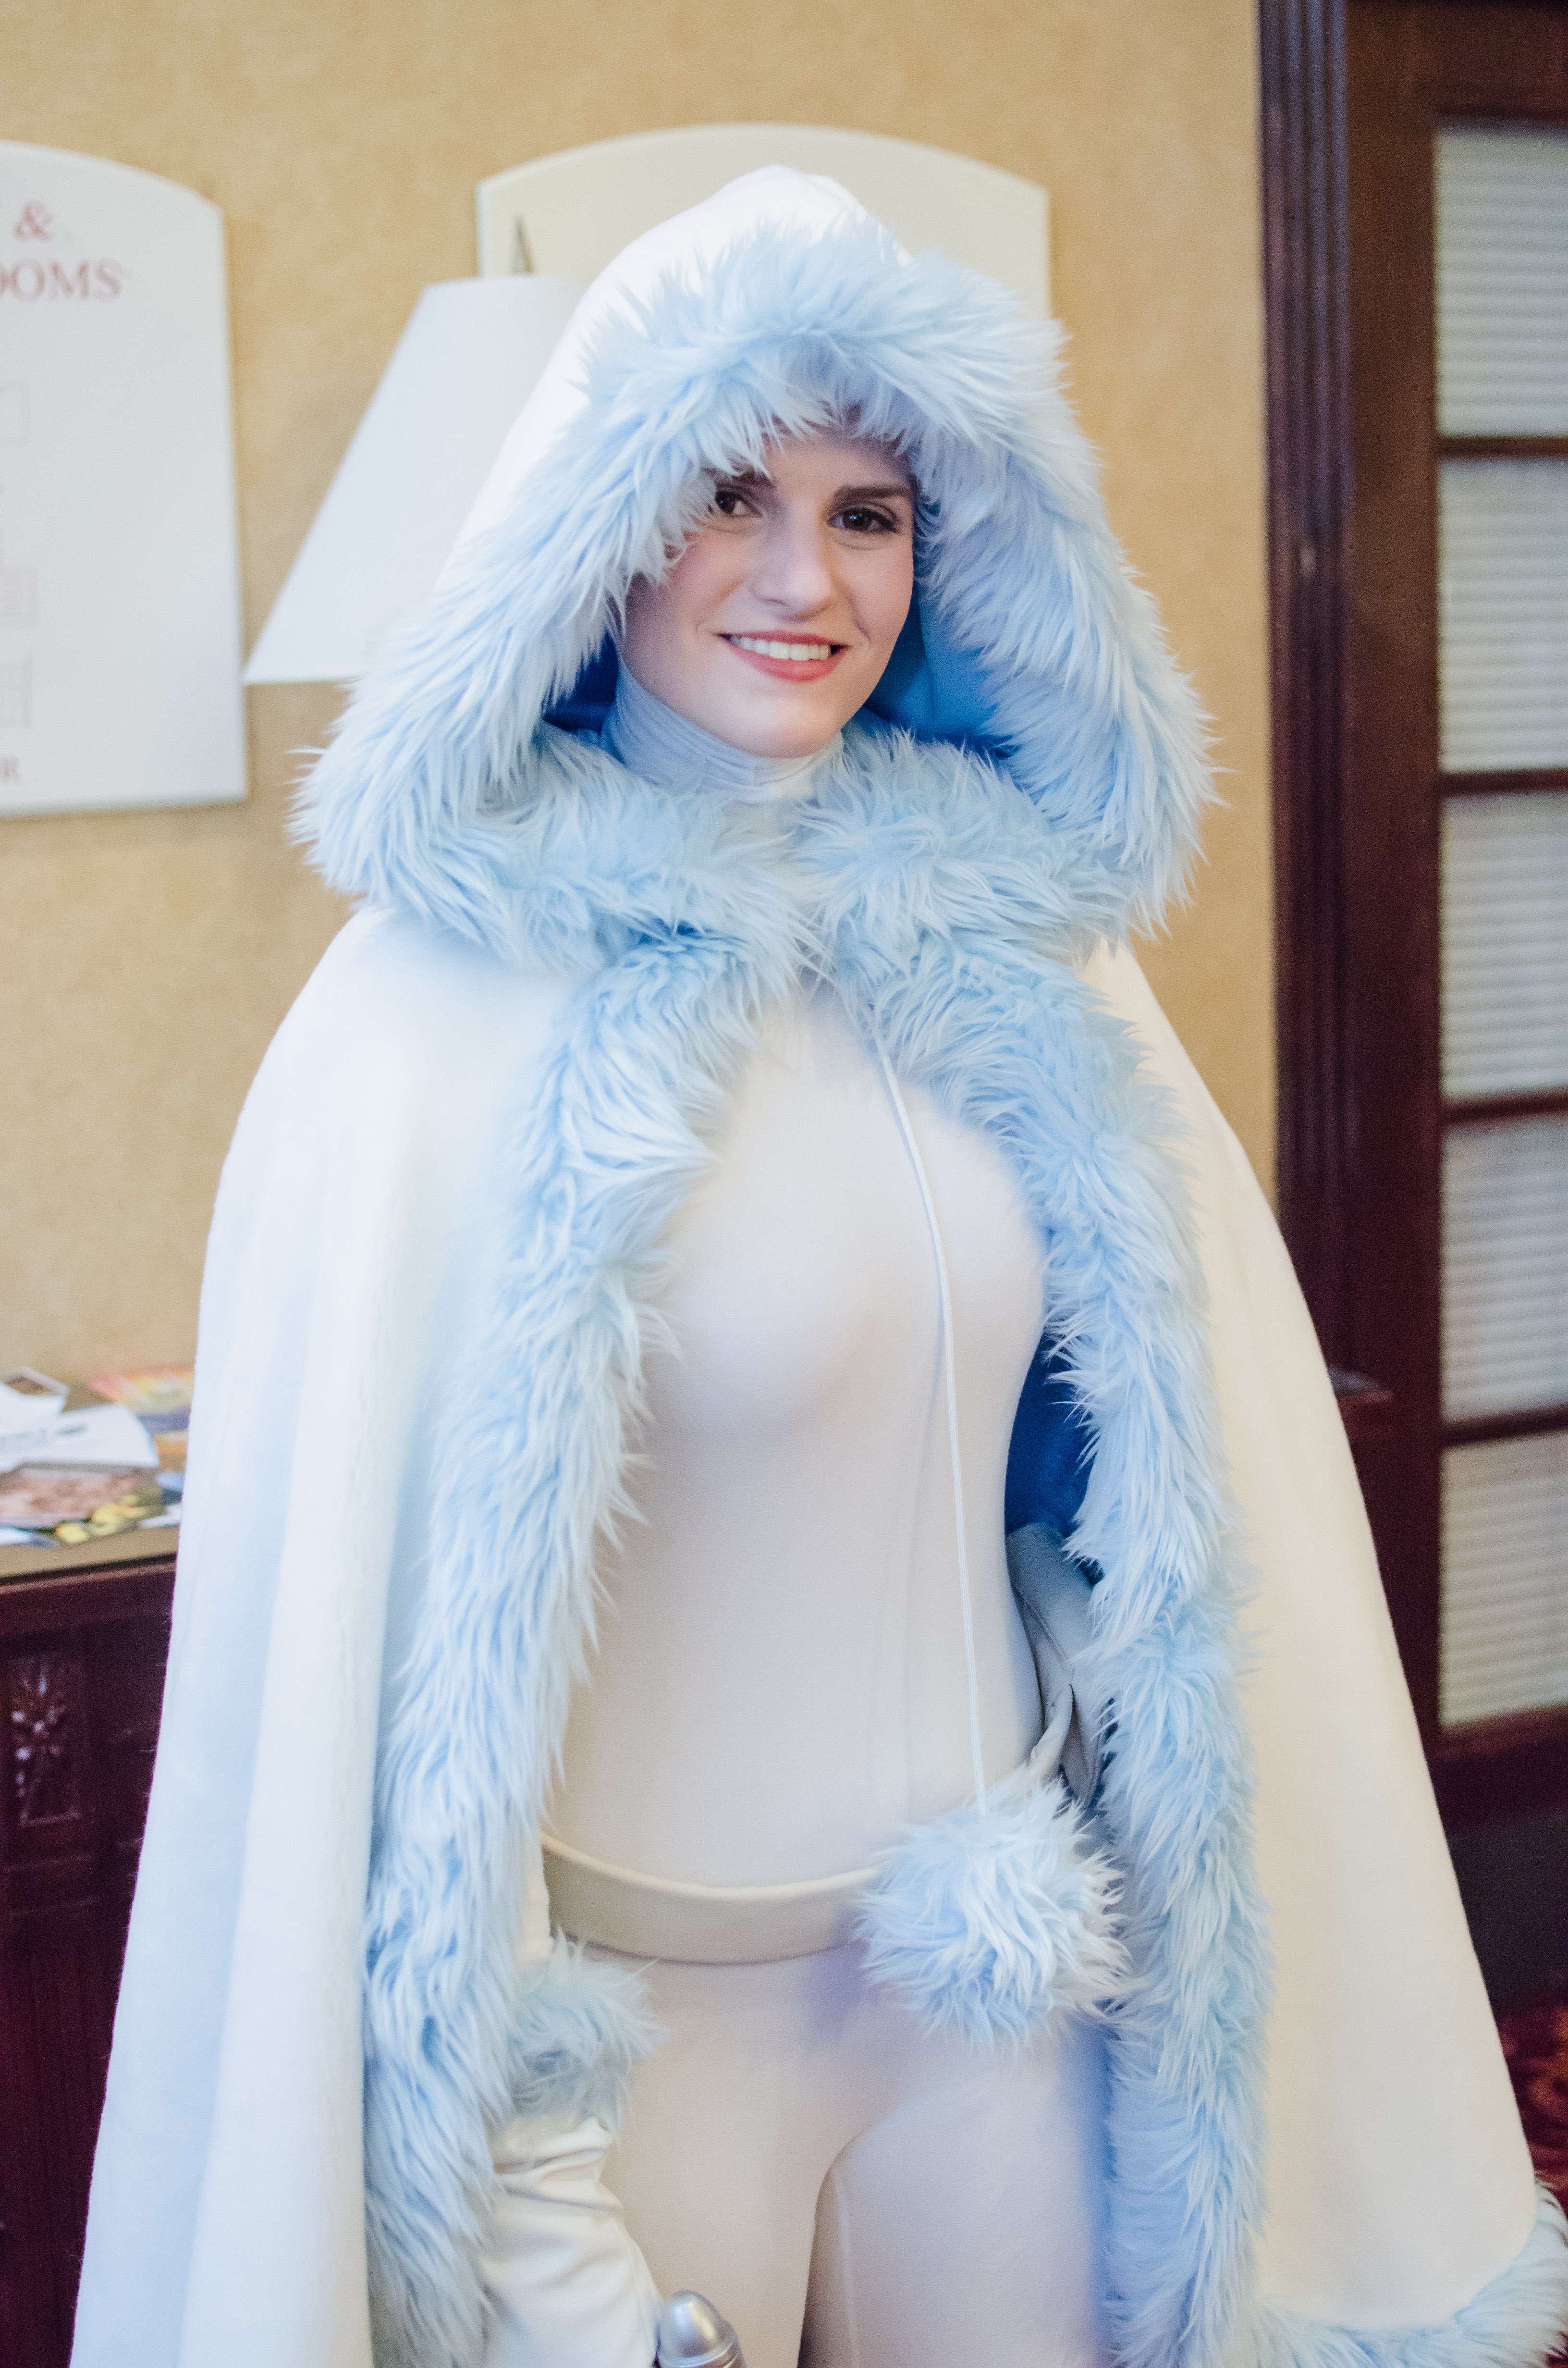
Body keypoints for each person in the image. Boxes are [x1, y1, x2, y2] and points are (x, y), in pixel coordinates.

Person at [73, 168, 1568, 2368]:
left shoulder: (1035, 958)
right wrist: (526, 2166)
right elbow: (404, 1674)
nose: (808, 579)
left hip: (998, 1996)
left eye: (870, 512)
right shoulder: (428, 1012)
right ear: (604, 528)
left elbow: (1157, 1483)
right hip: (637, 2055)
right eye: (730, 497)